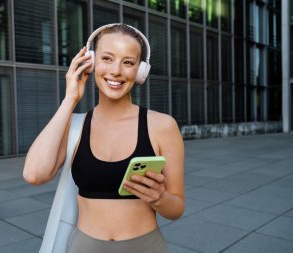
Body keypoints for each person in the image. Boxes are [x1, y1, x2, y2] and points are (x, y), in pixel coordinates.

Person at [23, 23, 185, 253]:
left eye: (128, 62)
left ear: (140, 71)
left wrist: (159, 198)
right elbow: (33, 175)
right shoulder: (75, 125)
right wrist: (70, 99)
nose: (116, 71)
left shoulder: (162, 126)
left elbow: (176, 208)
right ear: (90, 61)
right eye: (107, 58)